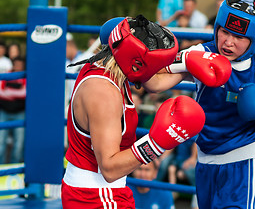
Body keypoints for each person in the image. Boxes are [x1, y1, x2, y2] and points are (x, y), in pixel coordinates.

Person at [143, 0, 255, 208]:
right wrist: (182, 62)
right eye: (224, 32)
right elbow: (154, 83)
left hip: (247, 161)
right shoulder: (202, 52)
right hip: (206, 162)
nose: (228, 42)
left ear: (253, 40)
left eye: (238, 37)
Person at [61, 15, 207, 208]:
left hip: (100, 190)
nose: (155, 68)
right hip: (96, 194)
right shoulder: (104, 94)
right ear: (135, 61)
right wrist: (155, 143)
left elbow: (153, 81)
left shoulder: (108, 64)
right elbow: (110, 168)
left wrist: (189, 65)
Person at [0, 57, 26, 164]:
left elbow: (25, 93)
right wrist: (17, 94)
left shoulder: (26, 76)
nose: (18, 67)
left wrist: (8, 93)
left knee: (18, 145)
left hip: (19, 113)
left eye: (20, 65)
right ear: (13, 65)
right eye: (17, 64)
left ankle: (15, 173)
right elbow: (0, 92)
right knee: (0, 144)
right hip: (4, 112)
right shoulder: (6, 75)